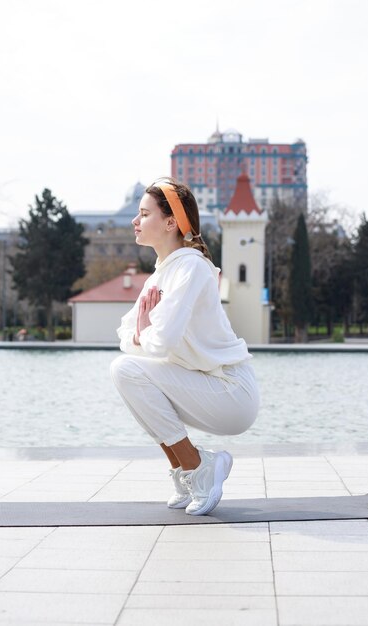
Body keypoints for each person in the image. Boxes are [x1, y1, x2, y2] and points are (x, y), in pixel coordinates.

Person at [110, 178, 259, 516]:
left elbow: (161, 341)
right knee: (127, 375)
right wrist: (142, 334)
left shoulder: (190, 267)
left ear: (170, 222)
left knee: (127, 370)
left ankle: (199, 467)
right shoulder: (161, 274)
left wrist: (144, 333)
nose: (135, 221)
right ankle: (186, 472)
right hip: (204, 386)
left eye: (144, 214)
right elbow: (124, 332)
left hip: (231, 391)